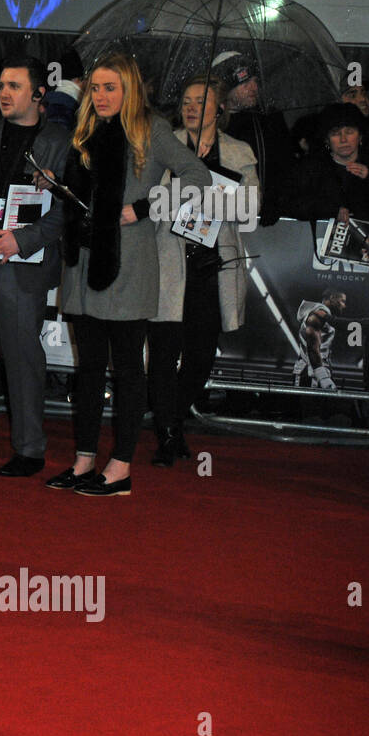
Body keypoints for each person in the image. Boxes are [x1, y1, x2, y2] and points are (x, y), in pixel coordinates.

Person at [42, 51, 211, 496]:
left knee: (129, 370)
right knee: (90, 369)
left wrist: (143, 208)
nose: (100, 96)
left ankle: (120, 469)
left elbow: (197, 175)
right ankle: (83, 462)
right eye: (94, 88)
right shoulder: (86, 129)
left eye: (109, 88)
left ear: (129, 89)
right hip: (83, 265)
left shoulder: (150, 129)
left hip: (130, 266)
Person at [0, 55, 69, 479]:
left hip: (23, 264)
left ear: (38, 94)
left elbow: (69, 210)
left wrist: (21, 240)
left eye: (14, 86)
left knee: (23, 357)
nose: (4, 93)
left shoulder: (61, 142)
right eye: (2, 85)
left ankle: (29, 448)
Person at [146, 75, 256, 466]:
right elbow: (152, 203)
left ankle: (173, 419)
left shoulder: (239, 151)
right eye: (187, 100)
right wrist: (185, 188)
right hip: (168, 261)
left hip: (213, 265)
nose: (192, 107)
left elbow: (250, 210)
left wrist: (210, 194)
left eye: (202, 101)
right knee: (162, 351)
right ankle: (167, 433)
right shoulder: (164, 143)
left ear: (220, 108)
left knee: (201, 355)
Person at [211, 51, 294, 227]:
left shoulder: (269, 119)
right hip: (220, 219)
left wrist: (276, 201)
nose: (254, 88)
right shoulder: (209, 124)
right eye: (245, 83)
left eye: (255, 81)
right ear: (226, 89)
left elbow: (286, 167)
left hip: (264, 221)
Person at [282, 102, 369, 227]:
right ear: (326, 139)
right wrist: (331, 210)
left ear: (360, 136)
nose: (343, 139)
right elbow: (290, 204)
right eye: (336, 133)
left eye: (349, 132)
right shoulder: (312, 168)